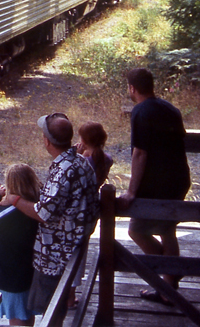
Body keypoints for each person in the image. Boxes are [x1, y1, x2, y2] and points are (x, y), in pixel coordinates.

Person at [2, 113, 99, 326]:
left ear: (47, 141)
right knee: (57, 308)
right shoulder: (82, 162)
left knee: (51, 311)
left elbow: (42, 213)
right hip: (75, 246)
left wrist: (15, 199)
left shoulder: (63, 169)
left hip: (57, 254)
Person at [117, 68, 191, 306]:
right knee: (168, 230)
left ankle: (169, 276)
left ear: (132, 88)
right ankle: (169, 283)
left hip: (157, 183)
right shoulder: (170, 109)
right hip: (179, 179)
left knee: (136, 230)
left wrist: (131, 191)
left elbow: (140, 153)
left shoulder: (140, 111)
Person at [0, 163, 42, 326]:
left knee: (17, 318)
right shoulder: (36, 204)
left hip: (11, 276)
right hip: (26, 272)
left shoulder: (14, 212)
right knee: (25, 313)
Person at [68, 121, 114, 308]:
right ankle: (71, 295)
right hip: (91, 211)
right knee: (81, 250)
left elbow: (70, 176)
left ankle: (67, 297)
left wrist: (75, 155)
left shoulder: (81, 161)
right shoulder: (106, 159)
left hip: (76, 211)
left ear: (84, 140)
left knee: (71, 252)